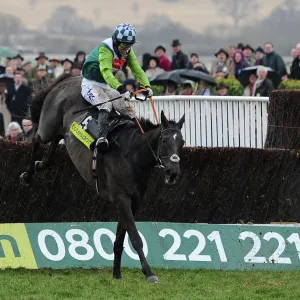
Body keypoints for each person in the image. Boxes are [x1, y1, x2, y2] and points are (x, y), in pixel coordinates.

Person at [81, 23, 153, 152]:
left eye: (129, 45)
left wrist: (147, 85)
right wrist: (121, 88)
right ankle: (101, 138)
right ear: (115, 40)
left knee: (125, 107)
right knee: (106, 105)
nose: (126, 49)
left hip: (106, 85)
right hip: (90, 84)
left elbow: (137, 69)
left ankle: (140, 134)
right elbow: (106, 73)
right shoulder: (105, 49)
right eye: (124, 45)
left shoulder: (128, 51)